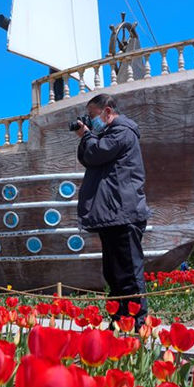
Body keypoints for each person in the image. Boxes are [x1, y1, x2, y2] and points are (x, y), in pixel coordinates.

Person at [76, 94, 150, 329]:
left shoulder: (122, 131)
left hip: (124, 214)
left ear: (107, 112)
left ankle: (137, 324)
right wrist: (88, 136)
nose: (90, 121)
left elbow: (96, 153)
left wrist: (86, 135)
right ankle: (120, 321)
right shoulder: (109, 134)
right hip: (113, 215)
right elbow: (91, 157)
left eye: (92, 116)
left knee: (128, 273)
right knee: (115, 274)